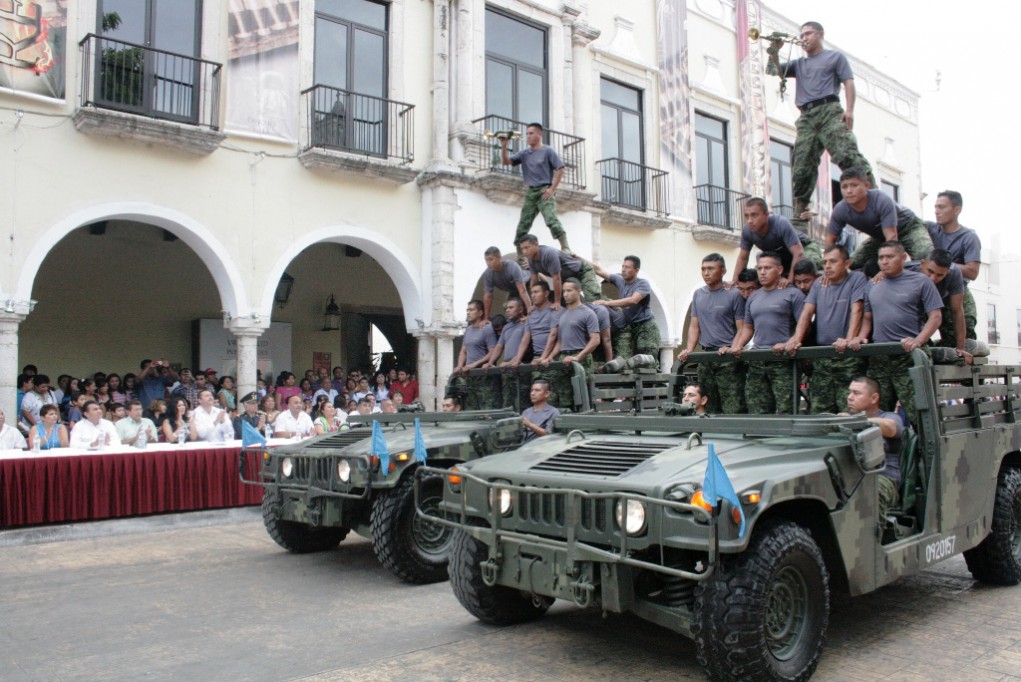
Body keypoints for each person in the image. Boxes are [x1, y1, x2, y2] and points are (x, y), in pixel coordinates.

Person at [766, 21, 873, 228]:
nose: (803, 38)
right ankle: (800, 209)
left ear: (820, 34)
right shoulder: (799, 64)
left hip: (829, 109)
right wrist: (774, 51)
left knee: (846, 154)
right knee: (801, 164)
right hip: (806, 116)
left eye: (808, 33)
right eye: (801, 34)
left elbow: (848, 81)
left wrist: (849, 110)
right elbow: (773, 70)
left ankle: (872, 191)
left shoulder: (834, 57)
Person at [855, 241, 943, 425]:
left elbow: (935, 317)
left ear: (903, 258)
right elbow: (868, 319)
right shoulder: (872, 285)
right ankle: (885, 453)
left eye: (890, 257)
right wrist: (861, 337)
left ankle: (924, 453)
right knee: (876, 416)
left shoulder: (921, 281)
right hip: (880, 358)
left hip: (909, 357)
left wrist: (919, 340)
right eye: (881, 258)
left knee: (920, 416)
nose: (884, 261)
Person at [786, 244, 867, 413]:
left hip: (847, 356)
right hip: (823, 356)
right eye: (825, 262)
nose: (828, 266)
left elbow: (857, 309)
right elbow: (807, 312)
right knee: (820, 410)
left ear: (847, 263)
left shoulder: (857, 278)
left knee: (849, 410)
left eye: (833, 261)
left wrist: (849, 339)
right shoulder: (818, 284)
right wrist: (796, 339)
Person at [724, 252, 806, 414]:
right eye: (759, 268)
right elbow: (748, 328)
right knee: (757, 409)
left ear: (780, 269)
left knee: (786, 409)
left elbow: (804, 326)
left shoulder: (793, 294)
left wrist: (791, 342)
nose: (762, 272)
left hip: (783, 360)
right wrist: (738, 345)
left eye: (767, 268)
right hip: (758, 359)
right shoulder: (754, 297)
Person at [825, 168, 933, 274]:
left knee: (928, 257)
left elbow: (891, 237)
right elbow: (830, 240)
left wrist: (884, 270)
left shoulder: (881, 199)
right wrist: (828, 267)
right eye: (844, 187)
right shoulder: (840, 209)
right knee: (853, 263)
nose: (849, 191)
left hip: (908, 228)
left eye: (854, 185)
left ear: (867, 186)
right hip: (880, 236)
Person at [678, 253, 747, 414]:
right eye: (703, 269)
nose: (706, 273)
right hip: (706, 357)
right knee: (708, 403)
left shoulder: (733, 294)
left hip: (728, 357)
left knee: (733, 405)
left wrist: (732, 347)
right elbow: (694, 326)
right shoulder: (699, 294)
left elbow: (741, 328)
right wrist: (689, 349)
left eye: (710, 269)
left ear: (723, 271)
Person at [499, 122, 572, 253]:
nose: (528, 136)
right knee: (523, 224)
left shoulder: (547, 151)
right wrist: (504, 146)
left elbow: (560, 169)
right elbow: (506, 162)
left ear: (539, 134)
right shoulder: (524, 153)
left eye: (531, 133)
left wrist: (552, 189)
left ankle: (565, 246)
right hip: (531, 192)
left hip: (544, 190)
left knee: (551, 219)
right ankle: (520, 253)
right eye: (527, 134)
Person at [844, 376, 903, 519]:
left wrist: (855, 421)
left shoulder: (888, 416)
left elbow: (891, 427)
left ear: (874, 398)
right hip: (852, 475)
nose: (850, 397)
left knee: (871, 494)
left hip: (883, 477)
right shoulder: (845, 418)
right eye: (850, 392)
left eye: (856, 393)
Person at [928, 190, 980, 348]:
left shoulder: (968, 237)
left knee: (962, 344)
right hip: (933, 290)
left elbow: (972, 272)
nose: (937, 211)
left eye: (942, 207)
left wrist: (942, 264)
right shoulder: (930, 230)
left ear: (957, 209)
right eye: (935, 207)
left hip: (957, 293)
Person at [590, 255, 661, 367]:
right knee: (632, 361)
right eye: (623, 266)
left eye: (627, 267)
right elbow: (599, 270)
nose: (623, 269)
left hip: (646, 327)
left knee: (648, 361)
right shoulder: (620, 281)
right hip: (631, 327)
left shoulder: (643, 283)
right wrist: (577, 257)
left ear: (636, 270)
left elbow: (633, 300)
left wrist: (606, 302)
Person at [732, 198, 822, 281]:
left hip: (804, 247)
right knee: (760, 275)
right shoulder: (747, 231)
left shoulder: (780, 223)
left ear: (766, 215)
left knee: (807, 266)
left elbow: (798, 253)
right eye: (746, 216)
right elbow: (743, 258)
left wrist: (789, 282)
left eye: (754, 215)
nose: (749, 221)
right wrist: (734, 283)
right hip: (781, 257)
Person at [907, 249, 974, 360]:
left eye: (939, 275)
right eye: (930, 271)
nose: (933, 278)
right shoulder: (906, 271)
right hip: (910, 311)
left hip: (935, 308)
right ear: (922, 263)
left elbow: (957, 311)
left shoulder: (954, 273)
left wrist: (961, 348)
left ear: (947, 272)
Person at [546, 278, 600, 408]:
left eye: (569, 290)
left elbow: (595, 340)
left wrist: (578, 357)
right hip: (564, 359)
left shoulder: (588, 313)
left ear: (578, 291)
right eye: (564, 291)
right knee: (564, 398)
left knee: (583, 399)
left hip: (580, 359)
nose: (565, 294)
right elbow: (560, 341)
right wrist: (550, 357)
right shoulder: (563, 314)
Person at [518, 234, 602, 309]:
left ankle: (613, 309)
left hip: (581, 271)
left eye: (527, 247)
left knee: (593, 299)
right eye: (522, 249)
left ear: (536, 245)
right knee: (568, 300)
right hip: (567, 278)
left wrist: (557, 302)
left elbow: (556, 279)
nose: (524, 251)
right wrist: (533, 303)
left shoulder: (549, 253)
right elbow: (534, 281)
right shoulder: (531, 260)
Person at [484, 297, 530, 410]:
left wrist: (514, 360)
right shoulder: (507, 327)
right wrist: (490, 362)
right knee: (507, 403)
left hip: (521, 367)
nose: (508, 310)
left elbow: (526, 344)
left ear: (520, 309)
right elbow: (499, 346)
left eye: (511, 307)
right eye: (507, 308)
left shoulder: (526, 323)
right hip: (507, 369)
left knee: (522, 403)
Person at [454, 299, 498, 410]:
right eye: (467, 310)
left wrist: (474, 364)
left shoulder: (487, 329)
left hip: (483, 376)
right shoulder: (468, 329)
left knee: (485, 407)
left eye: (471, 310)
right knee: (470, 407)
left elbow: (492, 351)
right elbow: (463, 350)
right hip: (469, 376)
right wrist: (460, 365)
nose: (468, 312)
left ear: (480, 313)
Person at [511, 280, 559, 369]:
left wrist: (543, 357)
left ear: (546, 293)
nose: (532, 295)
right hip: (536, 357)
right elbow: (525, 338)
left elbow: (553, 335)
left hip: (553, 357)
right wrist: (518, 359)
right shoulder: (531, 313)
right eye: (531, 293)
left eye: (536, 292)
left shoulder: (555, 310)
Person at [482, 246, 532, 320]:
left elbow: (522, 291)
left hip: (527, 284)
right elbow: (488, 296)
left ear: (499, 258)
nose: (488, 263)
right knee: (508, 308)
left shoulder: (511, 267)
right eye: (486, 260)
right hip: (513, 290)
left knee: (529, 305)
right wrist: (485, 318)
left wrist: (529, 313)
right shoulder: (488, 274)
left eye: (491, 260)